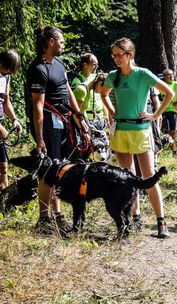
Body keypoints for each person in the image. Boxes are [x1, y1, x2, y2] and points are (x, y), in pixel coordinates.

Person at [101, 37, 174, 238]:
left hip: (141, 130)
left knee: (149, 177)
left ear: (129, 54)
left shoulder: (142, 74)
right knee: (127, 178)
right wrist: (111, 110)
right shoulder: (113, 75)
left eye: (119, 54)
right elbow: (103, 93)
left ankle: (161, 222)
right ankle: (136, 218)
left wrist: (155, 115)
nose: (116, 58)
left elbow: (169, 93)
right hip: (120, 131)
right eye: (113, 55)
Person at [27, 26, 90, 234]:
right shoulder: (38, 69)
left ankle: (57, 214)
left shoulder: (59, 63)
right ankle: (44, 219)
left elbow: (67, 89)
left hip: (64, 121)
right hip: (47, 125)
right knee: (48, 170)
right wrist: (39, 139)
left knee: (61, 168)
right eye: (61, 40)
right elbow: (37, 106)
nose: (63, 44)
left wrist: (78, 114)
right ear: (51, 41)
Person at [0, 50, 23, 190]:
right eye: (7, 69)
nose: (8, 73)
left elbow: (6, 101)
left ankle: (4, 204)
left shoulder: (6, 77)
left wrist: (14, 119)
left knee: (3, 167)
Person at [71, 53, 108, 127]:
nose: (97, 67)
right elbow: (77, 108)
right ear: (85, 65)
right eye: (94, 64)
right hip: (88, 119)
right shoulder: (77, 82)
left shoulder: (95, 78)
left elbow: (103, 95)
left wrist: (106, 116)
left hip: (100, 117)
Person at [160, 68, 177, 155]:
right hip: (165, 111)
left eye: (172, 74)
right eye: (168, 75)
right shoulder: (162, 85)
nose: (171, 76)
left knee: (174, 132)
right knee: (169, 132)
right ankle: (171, 150)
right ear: (164, 77)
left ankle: (173, 151)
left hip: (175, 111)